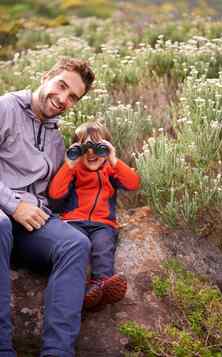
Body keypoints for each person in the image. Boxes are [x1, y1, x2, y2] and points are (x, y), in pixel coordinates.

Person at [0, 57, 95, 357]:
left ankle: (57, 353)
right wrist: (13, 205)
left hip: (30, 224)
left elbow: (52, 193)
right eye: (62, 86)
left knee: (76, 244)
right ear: (46, 77)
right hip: (3, 214)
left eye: (72, 97)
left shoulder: (55, 138)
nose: (63, 99)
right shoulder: (6, 108)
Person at [48, 121, 140, 310]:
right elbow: (55, 194)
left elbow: (133, 184)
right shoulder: (74, 170)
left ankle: (100, 285)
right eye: (84, 148)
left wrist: (114, 160)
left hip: (102, 224)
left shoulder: (111, 170)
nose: (91, 153)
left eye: (98, 147)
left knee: (103, 247)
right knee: (75, 249)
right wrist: (69, 164)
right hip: (73, 222)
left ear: (107, 149)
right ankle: (79, 291)